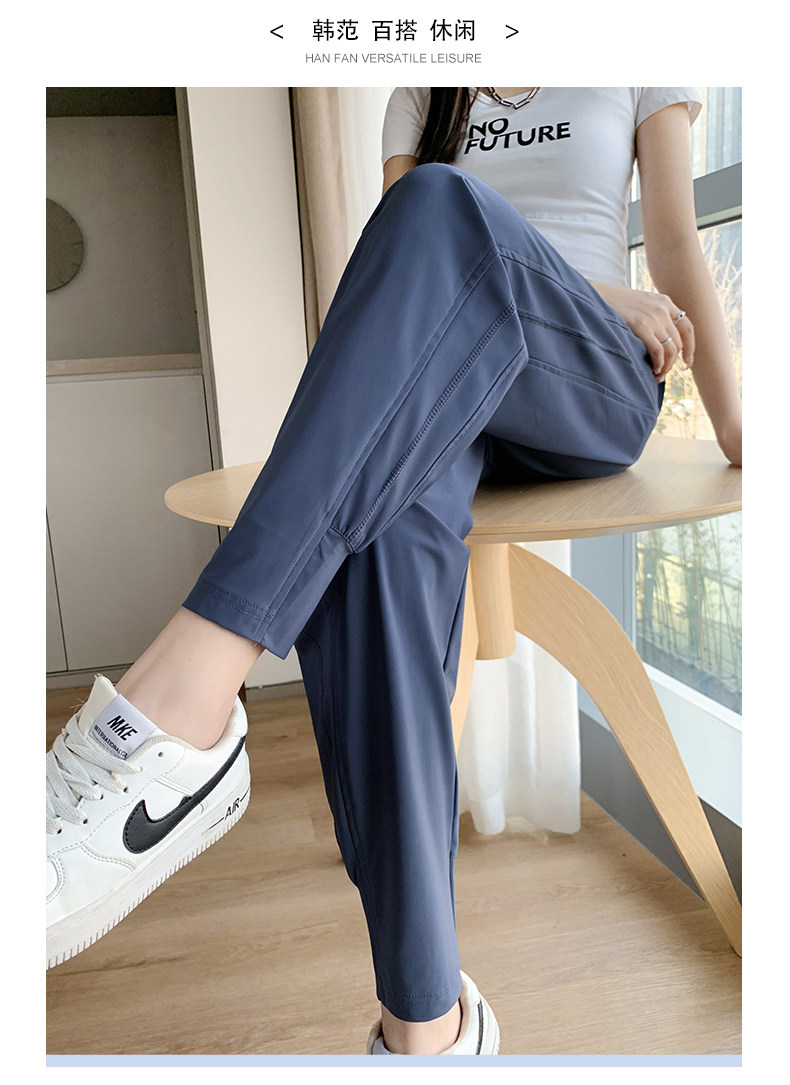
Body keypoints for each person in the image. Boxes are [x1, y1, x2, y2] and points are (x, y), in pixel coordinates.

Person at [45, 87, 742, 1056]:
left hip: (588, 372)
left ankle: (173, 708)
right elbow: (401, 267)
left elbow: (669, 246)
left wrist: (739, 423)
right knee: (378, 522)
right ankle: (429, 1028)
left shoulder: (629, 59)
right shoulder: (426, 84)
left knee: (440, 201)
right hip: (462, 379)